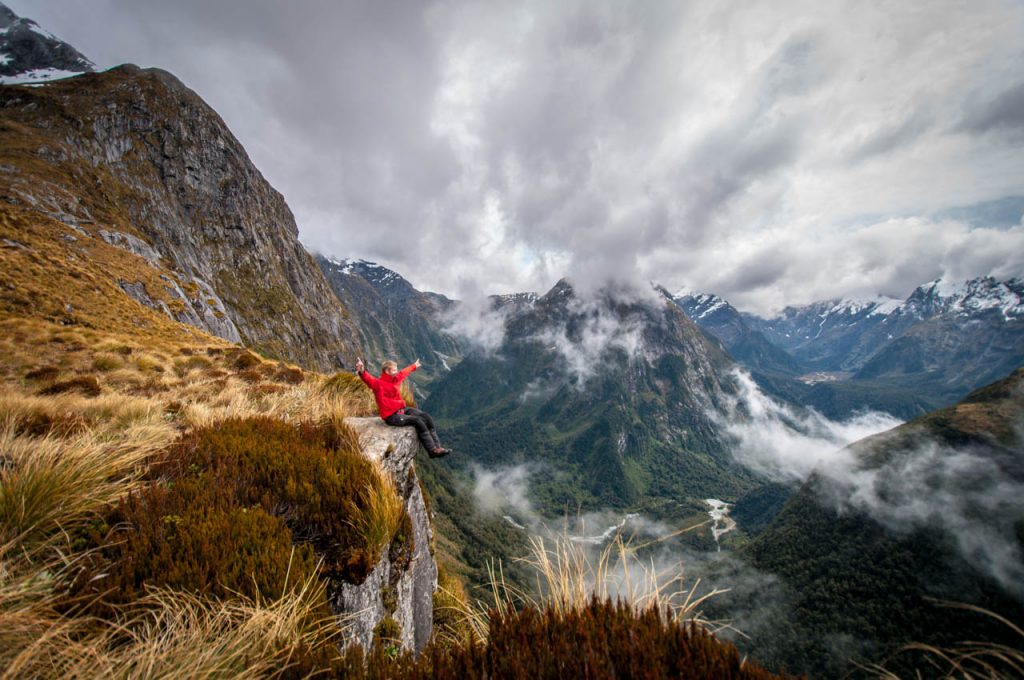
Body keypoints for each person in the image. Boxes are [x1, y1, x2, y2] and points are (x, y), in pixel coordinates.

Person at [355, 357, 451, 458]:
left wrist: (414, 366)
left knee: (426, 417)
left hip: (401, 410)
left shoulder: (395, 379)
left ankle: (438, 447)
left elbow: (403, 373)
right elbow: (368, 379)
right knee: (418, 421)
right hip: (391, 416)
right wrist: (361, 370)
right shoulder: (378, 384)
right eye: (394, 369)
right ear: (387, 371)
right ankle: (432, 450)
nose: (397, 371)